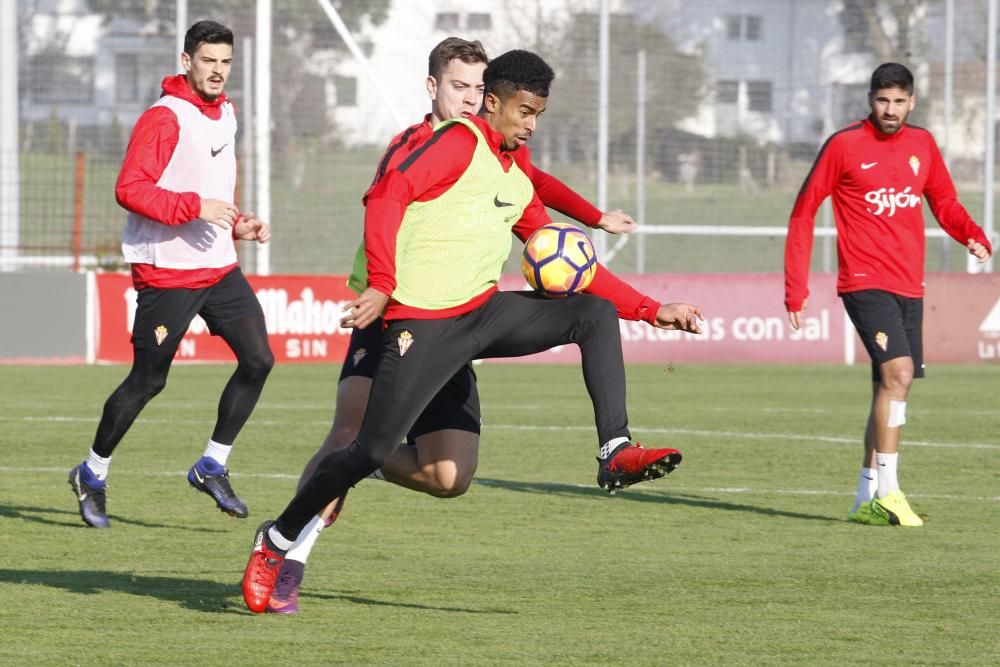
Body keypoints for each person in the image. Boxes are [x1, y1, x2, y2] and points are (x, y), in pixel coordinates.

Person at [241, 49, 703, 613]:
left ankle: (615, 450)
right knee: (364, 450)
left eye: (539, 114)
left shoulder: (513, 167)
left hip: (480, 316)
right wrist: (382, 284)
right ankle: (280, 541)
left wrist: (651, 308)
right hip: (421, 323)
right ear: (493, 103)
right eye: (524, 111)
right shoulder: (456, 142)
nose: (531, 124)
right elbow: (387, 195)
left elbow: (558, 243)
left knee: (590, 315)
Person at [67, 20, 273, 528]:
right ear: (187, 61)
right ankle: (91, 474)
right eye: (208, 61)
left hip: (218, 268)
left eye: (225, 62)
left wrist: (235, 223)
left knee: (259, 360)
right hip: (168, 272)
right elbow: (130, 188)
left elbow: (209, 183)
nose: (218, 71)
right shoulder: (165, 117)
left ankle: (212, 466)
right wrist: (194, 207)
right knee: (148, 382)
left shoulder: (226, 112)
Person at [784, 62, 992, 527]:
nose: (890, 110)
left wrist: (971, 235)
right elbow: (803, 212)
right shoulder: (844, 145)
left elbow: (946, 203)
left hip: (908, 284)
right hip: (863, 281)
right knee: (898, 374)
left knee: (890, 386)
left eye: (899, 101)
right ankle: (891, 492)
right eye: (883, 101)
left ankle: (864, 496)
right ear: (870, 99)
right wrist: (796, 289)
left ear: (912, 102)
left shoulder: (923, 145)